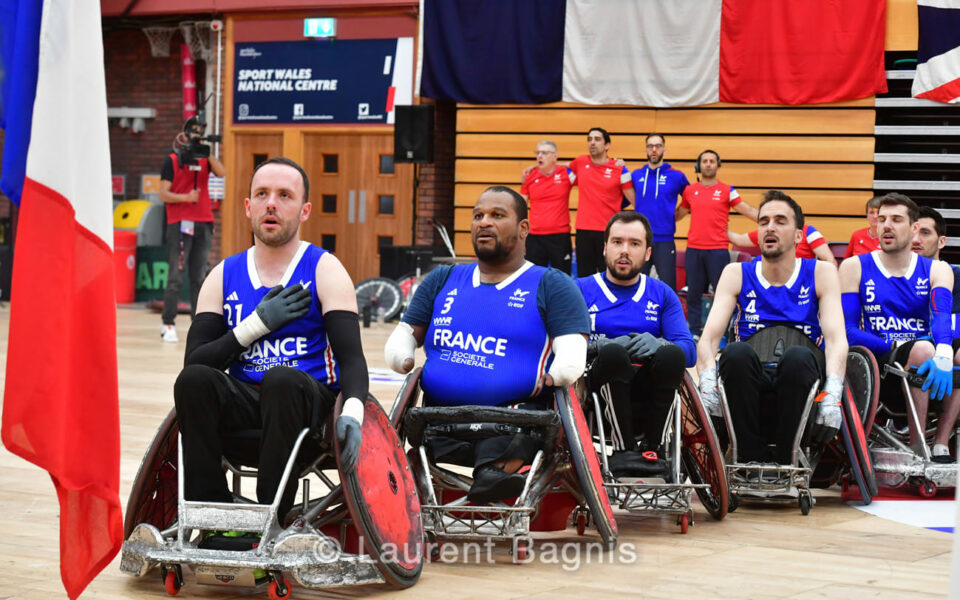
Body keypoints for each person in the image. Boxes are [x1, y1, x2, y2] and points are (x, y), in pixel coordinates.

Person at [173, 157, 368, 524]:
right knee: (194, 381)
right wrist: (254, 325)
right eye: (261, 194)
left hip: (308, 410)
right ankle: (213, 515)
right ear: (248, 207)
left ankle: (270, 517)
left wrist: (354, 413)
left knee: (281, 378)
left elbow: (352, 360)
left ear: (305, 209)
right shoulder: (223, 274)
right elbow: (194, 362)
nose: (271, 204)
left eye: (284, 195)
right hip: (247, 403)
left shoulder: (325, 268)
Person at [384, 186, 590, 503]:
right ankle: (490, 477)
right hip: (440, 421)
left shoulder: (552, 284)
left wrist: (562, 371)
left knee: (523, 427)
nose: (484, 222)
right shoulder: (442, 279)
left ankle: (494, 474)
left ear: (524, 228)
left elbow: (572, 354)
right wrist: (402, 353)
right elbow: (404, 335)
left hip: (514, 422)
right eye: (478, 215)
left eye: (497, 215)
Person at [697, 190, 846, 464]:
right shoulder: (736, 273)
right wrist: (707, 383)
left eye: (780, 221)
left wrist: (834, 392)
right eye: (764, 221)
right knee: (735, 353)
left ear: (799, 235)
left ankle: (786, 458)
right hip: (750, 377)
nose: (770, 227)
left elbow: (837, 339)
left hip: (802, 379)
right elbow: (707, 340)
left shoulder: (821, 272)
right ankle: (749, 458)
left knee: (797, 357)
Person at [840, 193, 960, 462]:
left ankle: (941, 444)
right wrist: (895, 346)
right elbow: (847, 330)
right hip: (881, 361)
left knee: (950, 351)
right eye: (881, 219)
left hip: (926, 354)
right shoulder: (854, 266)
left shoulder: (937, 269)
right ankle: (919, 449)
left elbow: (941, 316)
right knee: (922, 349)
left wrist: (943, 350)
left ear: (914, 227)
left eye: (896, 219)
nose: (886, 226)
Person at [576, 211, 695, 475]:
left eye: (634, 244)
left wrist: (661, 344)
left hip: (649, 390)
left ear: (648, 252)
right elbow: (561, 345)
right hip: (599, 396)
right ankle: (623, 451)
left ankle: (655, 448)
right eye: (617, 242)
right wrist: (600, 345)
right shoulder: (579, 289)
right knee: (615, 354)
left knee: (672, 355)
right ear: (605, 247)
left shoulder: (662, 293)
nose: (624, 250)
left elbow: (689, 350)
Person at [675, 150, 758, 337]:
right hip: (694, 249)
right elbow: (677, 215)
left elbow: (746, 209)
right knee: (694, 294)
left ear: (718, 165)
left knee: (722, 294)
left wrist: (769, 219)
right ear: (699, 165)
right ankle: (694, 333)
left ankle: (722, 333)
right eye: (704, 161)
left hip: (718, 250)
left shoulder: (727, 190)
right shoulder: (690, 191)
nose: (708, 164)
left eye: (712, 161)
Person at [159, 116, 226, 342]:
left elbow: (222, 172)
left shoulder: (205, 159)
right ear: (185, 133)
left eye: (201, 131)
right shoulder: (173, 160)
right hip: (179, 223)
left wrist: (207, 150)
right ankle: (168, 322)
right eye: (194, 132)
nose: (197, 135)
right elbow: (163, 193)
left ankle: (199, 325)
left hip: (203, 222)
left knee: (199, 275)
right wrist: (185, 197)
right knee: (176, 275)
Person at [568, 128, 635, 277]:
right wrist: (535, 167)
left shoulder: (619, 168)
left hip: (609, 231)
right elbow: (559, 169)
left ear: (607, 145)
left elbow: (635, 200)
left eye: (597, 139)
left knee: (609, 276)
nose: (592, 142)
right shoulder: (580, 162)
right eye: (590, 139)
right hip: (583, 230)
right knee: (585, 277)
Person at [630, 134, 689, 289]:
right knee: (635, 285)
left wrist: (677, 215)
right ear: (645, 150)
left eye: (658, 146)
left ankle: (668, 314)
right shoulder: (636, 175)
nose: (654, 149)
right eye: (650, 146)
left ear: (664, 149)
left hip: (665, 240)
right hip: (640, 239)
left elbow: (691, 198)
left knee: (668, 288)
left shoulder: (677, 176)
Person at [520, 141, 576, 274]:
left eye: (544, 153)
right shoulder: (530, 176)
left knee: (562, 280)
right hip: (534, 238)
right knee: (533, 279)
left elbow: (587, 172)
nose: (539, 156)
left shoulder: (566, 173)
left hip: (560, 237)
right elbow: (520, 205)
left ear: (555, 156)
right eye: (538, 153)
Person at [728, 222, 834, 262]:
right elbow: (739, 240)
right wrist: (716, 229)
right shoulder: (767, 231)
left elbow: (829, 260)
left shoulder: (808, 231)